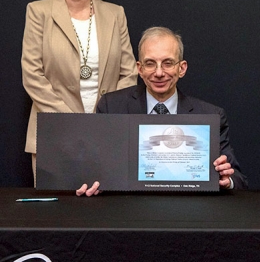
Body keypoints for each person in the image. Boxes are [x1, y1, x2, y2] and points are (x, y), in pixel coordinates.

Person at [76, 27, 247, 196]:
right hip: (126, 212)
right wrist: (91, 180)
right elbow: (93, 169)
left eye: (168, 63)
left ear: (182, 68)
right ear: (139, 68)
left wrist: (227, 181)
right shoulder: (111, 108)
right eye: (150, 64)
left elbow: (238, 180)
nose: (159, 73)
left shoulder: (211, 116)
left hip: (188, 213)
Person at [22, 0, 138, 180]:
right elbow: (32, 75)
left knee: (104, 214)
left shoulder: (115, 14)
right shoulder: (38, 12)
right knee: (57, 213)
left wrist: (104, 121)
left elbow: (129, 73)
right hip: (54, 131)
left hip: (107, 135)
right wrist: (71, 122)